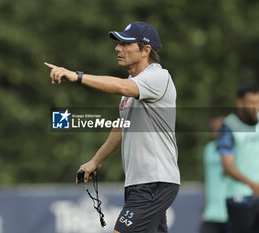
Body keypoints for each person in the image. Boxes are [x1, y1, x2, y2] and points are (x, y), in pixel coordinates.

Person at [45, 21, 180, 233]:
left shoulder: (157, 77)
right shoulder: (135, 81)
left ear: (145, 50)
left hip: (154, 180)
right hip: (141, 182)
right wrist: (94, 162)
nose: (118, 48)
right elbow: (122, 127)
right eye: (119, 43)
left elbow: (120, 87)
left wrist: (76, 76)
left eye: (125, 44)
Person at [217, 84, 259, 233]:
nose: (256, 107)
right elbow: (228, 166)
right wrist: (253, 184)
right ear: (240, 103)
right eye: (251, 103)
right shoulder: (229, 126)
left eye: (258, 102)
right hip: (240, 198)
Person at [199, 116, 228, 233]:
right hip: (211, 213)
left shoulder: (237, 149)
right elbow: (208, 180)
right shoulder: (208, 149)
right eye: (215, 130)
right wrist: (204, 206)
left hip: (231, 212)